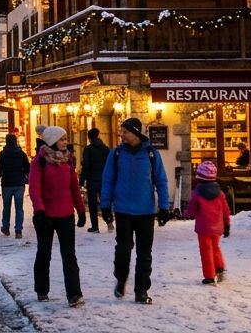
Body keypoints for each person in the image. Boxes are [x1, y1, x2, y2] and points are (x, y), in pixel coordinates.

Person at [100, 117, 170, 305]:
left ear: (136, 133)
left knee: (144, 253)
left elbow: (161, 181)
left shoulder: (151, 154)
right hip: (123, 210)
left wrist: (164, 207)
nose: (121, 134)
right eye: (121, 131)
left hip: (146, 212)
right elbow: (108, 180)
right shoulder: (115, 154)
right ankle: (121, 279)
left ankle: (141, 290)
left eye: (125, 131)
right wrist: (105, 205)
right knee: (123, 250)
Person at [28, 126, 87, 307]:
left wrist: (81, 210)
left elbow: (74, 188)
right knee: (44, 253)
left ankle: (74, 295)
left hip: (66, 214)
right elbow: (34, 188)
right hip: (46, 215)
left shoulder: (67, 160)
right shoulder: (40, 161)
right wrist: (39, 210)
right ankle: (42, 289)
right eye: (62, 139)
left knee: (69, 255)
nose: (65, 142)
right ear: (52, 141)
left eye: (66, 138)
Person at [182, 160, 230, 286]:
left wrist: (186, 215)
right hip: (217, 227)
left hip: (203, 228)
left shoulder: (197, 193)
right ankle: (219, 266)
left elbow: (192, 209)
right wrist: (227, 224)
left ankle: (209, 276)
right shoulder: (220, 193)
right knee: (215, 247)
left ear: (199, 177)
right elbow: (225, 210)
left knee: (205, 250)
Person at [0, 132, 30, 239]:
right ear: (15, 141)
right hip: (19, 183)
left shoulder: (2, 154)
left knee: (6, 207)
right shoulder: (21, 153)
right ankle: (18, 230)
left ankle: (6, 227)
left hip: (7, 184)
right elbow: (28, 168)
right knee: (19, 208)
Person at [79, 127, 110, 233]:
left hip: (92, 180)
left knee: (92, 204)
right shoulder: (106, 149)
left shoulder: (88, 149)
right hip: (104, 179)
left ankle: (95, 226)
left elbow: (86, 165)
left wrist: (82, 179)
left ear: (89, 138)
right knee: (105, 201)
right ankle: (109, 221)